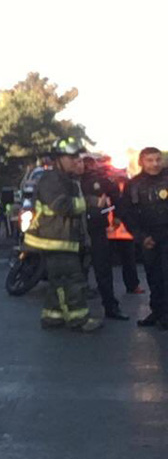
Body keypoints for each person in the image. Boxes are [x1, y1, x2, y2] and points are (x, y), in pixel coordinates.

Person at [24, 139, 103, 332]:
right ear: (59, 159)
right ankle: (79, 320)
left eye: (78, 157)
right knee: (71, 279)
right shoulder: (52, 179)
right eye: (72, 157)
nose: (76, 161)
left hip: (62, 238)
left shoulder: (65, 179)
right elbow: (61, 206)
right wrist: (91, 202)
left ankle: (52, 317)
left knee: (58, 280)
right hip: (55, 239)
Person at [119, 147, 168, 329]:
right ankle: (157, 312)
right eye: (150, 160)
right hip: (148, 238)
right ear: (141, 162)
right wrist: (140, 237)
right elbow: (126, 212)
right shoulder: (134, 185)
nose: (155, 164)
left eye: (158, 159)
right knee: (154, 277)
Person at [81, 157, 128, 320]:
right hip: (74, 232)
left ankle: (111, 307)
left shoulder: (100, 181)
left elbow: (117, 198)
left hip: (97, 229)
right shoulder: (69, 181)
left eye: (87, 163)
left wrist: (116, 216)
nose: (84, 166)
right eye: (81, 163)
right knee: (74, 271)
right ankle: (77, 310)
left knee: (103, 270)